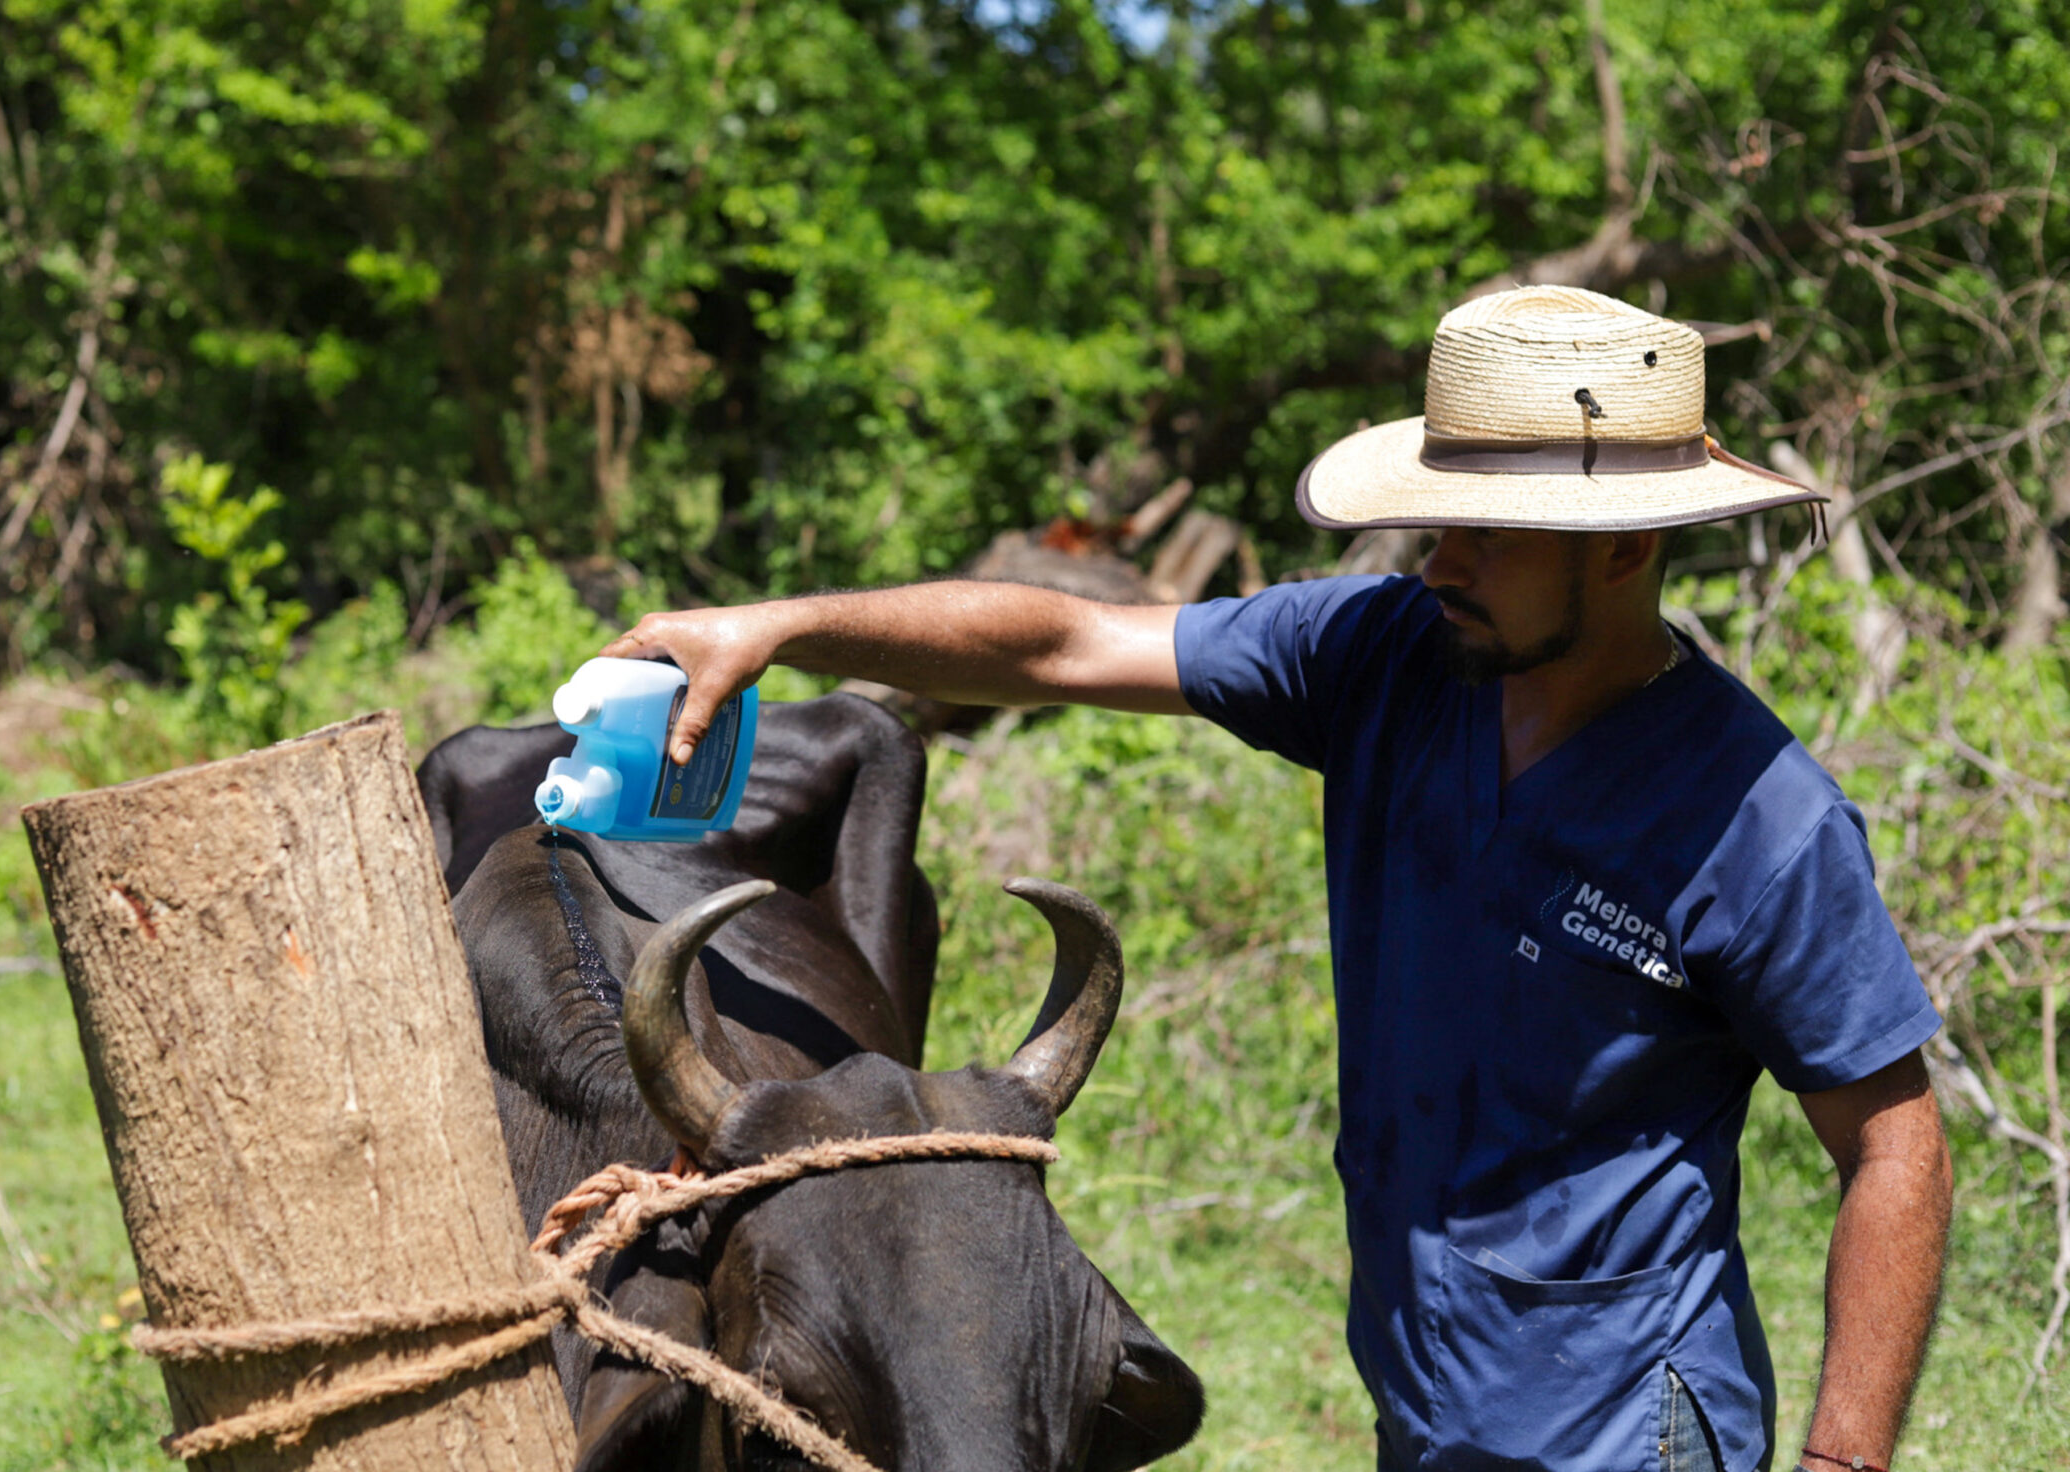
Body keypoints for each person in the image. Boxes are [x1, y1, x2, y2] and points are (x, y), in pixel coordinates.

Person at [602, 286, 1953, 1472]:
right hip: (1423, 1396)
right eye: (1438, 521)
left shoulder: (1757, 818)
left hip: (1622, 1428)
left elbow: (1895, 1147)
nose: (1441, 563)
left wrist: (1844, 1459)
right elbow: (1066, 642)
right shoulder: (1383, 662)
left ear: (1624, 547)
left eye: (1489, 533)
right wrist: (784, 626)